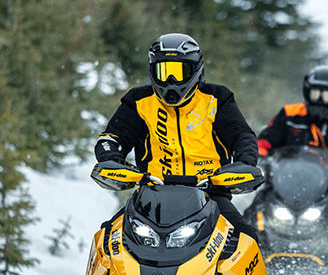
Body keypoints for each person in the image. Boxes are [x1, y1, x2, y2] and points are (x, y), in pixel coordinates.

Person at [92, 32, 262, 239]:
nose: (171, 81)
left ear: (196, 70)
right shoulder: (138, 101)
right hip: (151, 196)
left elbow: (243, 137)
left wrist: (244, 163)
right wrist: (112, 161)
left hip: (210, 193)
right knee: (107, 238)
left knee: (247, 238)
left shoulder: (217, 98)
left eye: (181, 71)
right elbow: (111, 139)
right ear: (152, 71)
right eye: (164, 71)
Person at [254, 64, 328, 272]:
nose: (319, 100)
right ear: (306, 92)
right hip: (281, 187)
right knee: (251, 216)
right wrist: (261, 161)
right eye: (315, 93)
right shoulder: (289, 114)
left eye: (325, 96)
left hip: (327, 191)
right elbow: (263, 142)